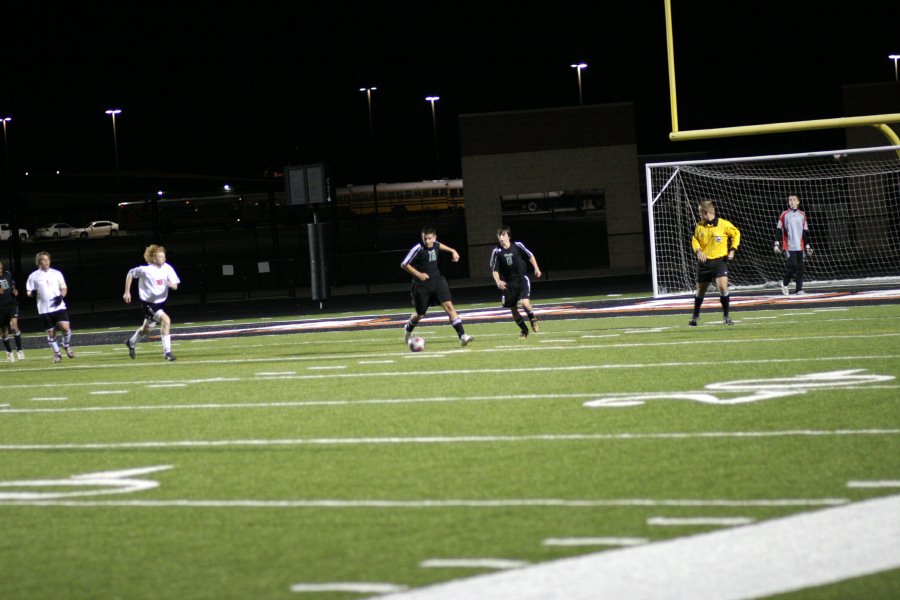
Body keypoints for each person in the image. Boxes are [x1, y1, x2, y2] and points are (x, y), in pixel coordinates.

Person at [401, 225, 473, 347]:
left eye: (429, 238)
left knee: (449, 306)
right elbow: (404, 264)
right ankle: (408, 330)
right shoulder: (418, 248)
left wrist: (453, 251)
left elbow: (439, 245)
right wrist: (419, 275)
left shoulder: (435, 243)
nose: (427, 241)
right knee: (420, 314)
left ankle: (462, 336)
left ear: (434, 237)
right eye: (425, 238)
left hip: (438, 281)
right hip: (422, 285)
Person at [123, 244, 181, 361]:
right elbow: (130, 273)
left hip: (160, 303)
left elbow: (175, 285)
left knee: (146, 329)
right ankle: (167, 353)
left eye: (164, 256)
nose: (164, 259)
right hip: (149, 304)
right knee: (166, 320)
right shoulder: (145, 270)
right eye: (161, 257)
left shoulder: (167, 268)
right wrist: (127, 292)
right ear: (153, 259)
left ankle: (131, 342)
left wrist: (171, 285)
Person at [689, 200, 741, 326]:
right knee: (700, 291)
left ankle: (726, 316)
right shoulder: (700, 226)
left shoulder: (723, 224)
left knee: (723, 288)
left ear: (706, 212)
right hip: (704, 263)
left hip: (719, 261)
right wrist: (698, 251)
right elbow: (694, 239)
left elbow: (736, 234)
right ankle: (695, 316)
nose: (699, 215)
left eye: (700, 213)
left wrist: (733, 249)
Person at [490, 225, 542, 338]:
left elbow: (530, 255)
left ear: (508, 236)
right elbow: (494, 269)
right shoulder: (497, 251)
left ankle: (532, 317)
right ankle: (524, 330)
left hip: (521, 279)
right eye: (499, 235)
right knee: (513, 309)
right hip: (508, 283)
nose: (501, 237)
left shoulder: (517, 245)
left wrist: (536, 268)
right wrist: (498, 281)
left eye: (503, 235)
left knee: (525, 303)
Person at [25, 251, 74, 363]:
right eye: (43, 259)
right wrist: (31, 293)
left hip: (59, 306)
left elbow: (64, 288)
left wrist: (60, 297)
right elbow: (28, 292)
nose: (46, 262)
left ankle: (65, 345)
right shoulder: (33, 276)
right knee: (51, 333)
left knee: (65, 328)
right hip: (44, 309)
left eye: (48, 259)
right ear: (38, 262)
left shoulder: (57, 273)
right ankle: (57, 354)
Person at [774, 193, 813, 295]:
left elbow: (805, 231)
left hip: (800, 246)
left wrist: (807, 245)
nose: (791, 201)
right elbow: (779, 229)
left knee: (800, 268)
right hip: (789, 245)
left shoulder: (802, 215)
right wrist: (777, 243)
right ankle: (785, 283)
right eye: (790, 200)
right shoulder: (784, 214)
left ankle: (799, 289)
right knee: (793, 266)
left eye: (793, 200)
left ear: (798, 202)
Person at [0, 260, 25, 361]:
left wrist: (15, 291)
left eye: (0, 266)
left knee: (14, 327)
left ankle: (19, 350)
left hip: (11, 304)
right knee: (4, 333)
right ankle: (9, 352)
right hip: (0, 308)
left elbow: (13, 286)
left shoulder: (8, 274)